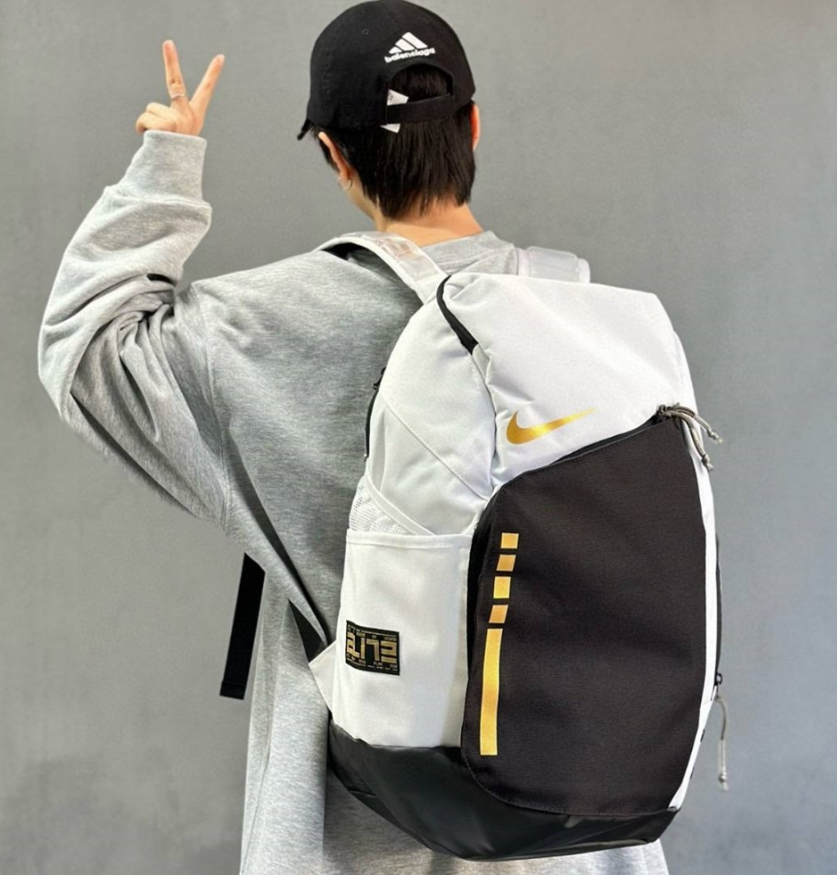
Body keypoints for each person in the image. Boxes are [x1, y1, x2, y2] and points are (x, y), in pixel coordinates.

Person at [38, 1, 672, 873]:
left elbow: (84, 348)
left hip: (350, 831)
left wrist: (164, 167)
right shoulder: (585, 319)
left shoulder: (261, 329)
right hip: (576, 825)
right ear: (472, 127)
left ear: (335, 154)